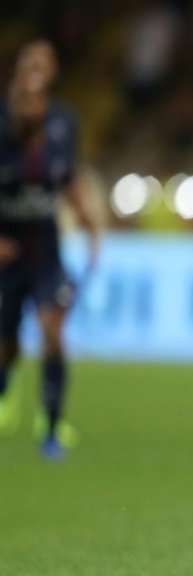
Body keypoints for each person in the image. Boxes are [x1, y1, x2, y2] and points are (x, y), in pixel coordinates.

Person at [0, 40, 100, 459]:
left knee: (53, 333)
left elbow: (70, 182)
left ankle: (51, 429)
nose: (33, 106)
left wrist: (89, 224)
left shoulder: (61, 133)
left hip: (45, 252)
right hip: (8, 255)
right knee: (6, 348)